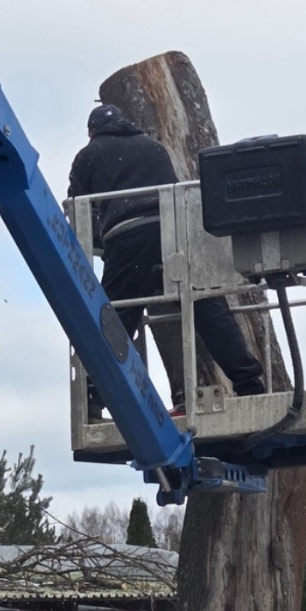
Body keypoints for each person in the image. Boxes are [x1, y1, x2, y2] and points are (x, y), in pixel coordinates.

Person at [69, 103, 265, 409]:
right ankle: (249, 383)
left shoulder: (88, 155)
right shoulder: (153, 147)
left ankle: (95, 395)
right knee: (208, 306)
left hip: (130, 235)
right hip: (176, 232)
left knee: (116, 316)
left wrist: (103, 243)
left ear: (91, 131)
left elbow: (79, 211)